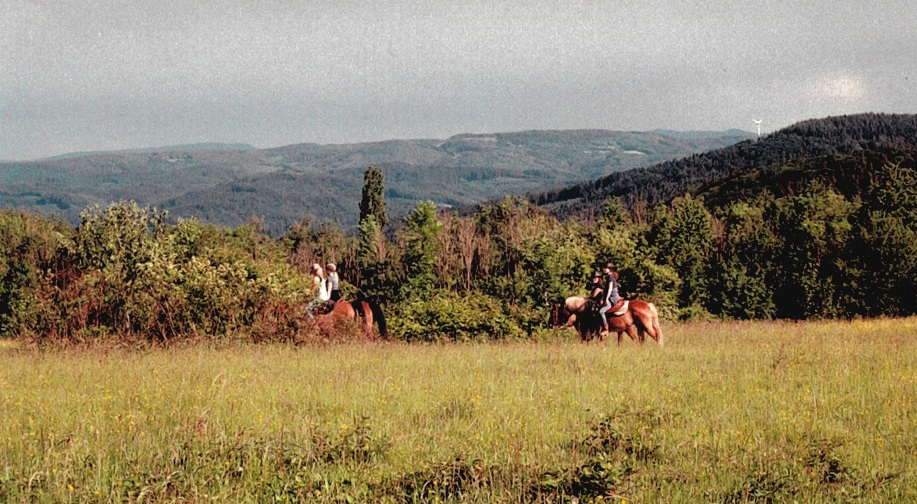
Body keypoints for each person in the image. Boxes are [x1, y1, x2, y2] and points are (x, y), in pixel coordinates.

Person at [598, 263, 621, 334]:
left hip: (613, 298)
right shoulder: (609, 277)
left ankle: (606, 328)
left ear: (610, 269)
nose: (604, 269)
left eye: (606, 268)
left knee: (601, 312)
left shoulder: (610, 277)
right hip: (612, 296)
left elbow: (610, 289)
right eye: (604, 268)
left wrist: (606, 299)